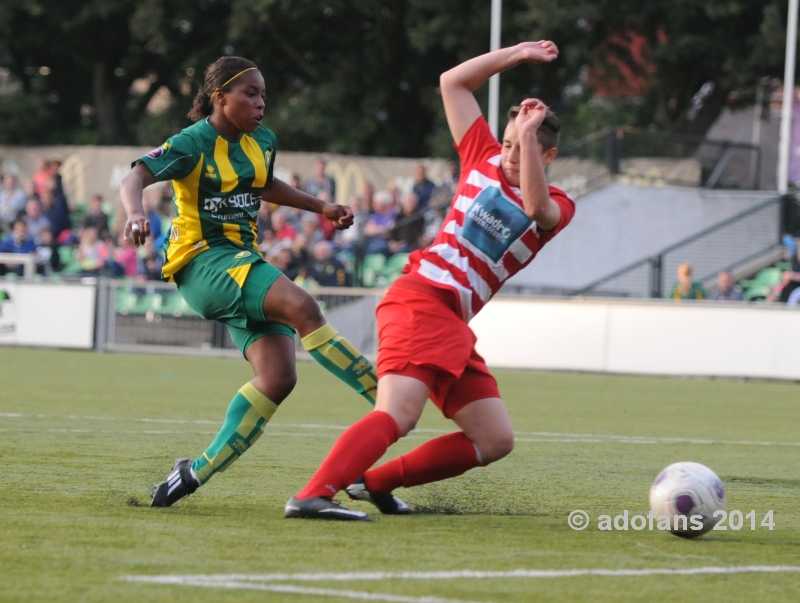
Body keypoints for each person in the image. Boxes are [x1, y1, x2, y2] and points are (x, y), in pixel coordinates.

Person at [285, 40, 573, 520]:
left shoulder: (558, 203)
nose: (509, 156)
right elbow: (452, 82)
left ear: (549, 155)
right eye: (506, 144)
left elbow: (535, 208)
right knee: (397, 415)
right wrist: (518, 54)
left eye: (523, 149)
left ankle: (372, 483)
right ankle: (314, 493)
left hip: (450, 322)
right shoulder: (481, 157)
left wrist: (525, 135)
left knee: (494, 439)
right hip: (421, 300)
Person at [119, 56, 380, 508]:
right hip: (203, 263)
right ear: (219, 97)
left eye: (263, 96)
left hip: (242, 261)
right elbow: (136, 175)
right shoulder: (192, 141)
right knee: (303, 306)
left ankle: (191, 474)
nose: (261, 104)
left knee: (278, 378)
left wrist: (322, 207)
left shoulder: (263, 140)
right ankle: (387, 397)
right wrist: (136, 212)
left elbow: (263, 185)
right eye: (250, 94)